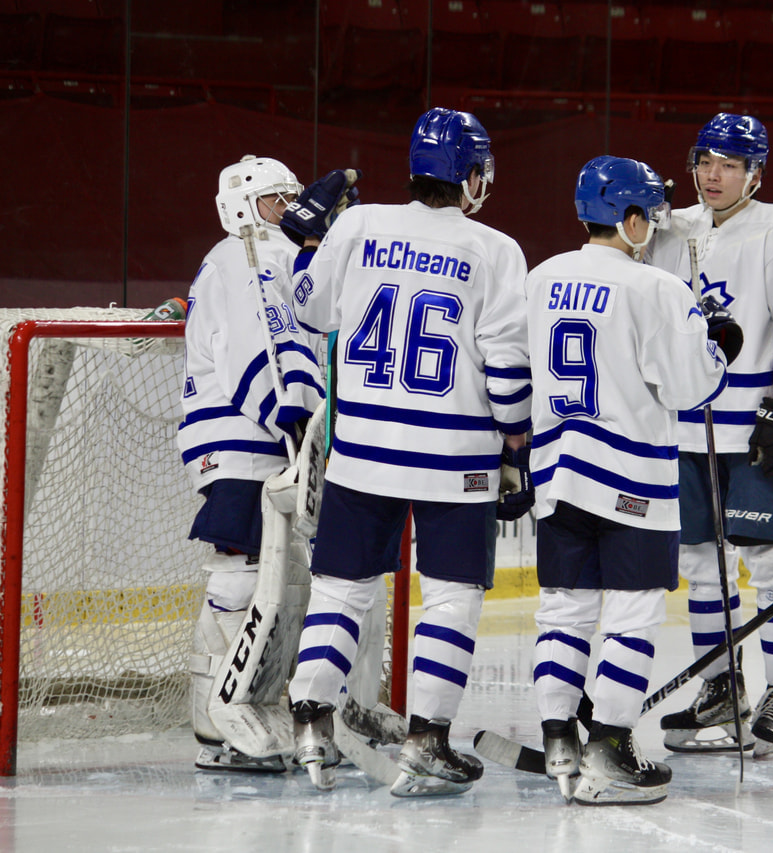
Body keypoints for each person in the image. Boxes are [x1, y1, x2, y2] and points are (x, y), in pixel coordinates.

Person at [284, 108, 532, 796]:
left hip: (362, 448)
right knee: (450, 596)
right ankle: (427, 739)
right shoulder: (495, 248)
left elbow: (309, 308)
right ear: (472, 177)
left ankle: (310, 722)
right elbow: (508, 369)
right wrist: (518, 443)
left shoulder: (360, 226)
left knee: (341, 588)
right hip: (456, 456)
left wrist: (307, 243)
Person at [525, 155, 740, 805]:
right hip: (631, 476)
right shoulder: (657, 288)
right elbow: (689, 384)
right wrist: (716, 346)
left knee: (563, 609)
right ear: (632, 218)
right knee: (632, 613)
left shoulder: (542, 276)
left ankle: (559, 734)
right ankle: (611, 745)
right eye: (649, 212)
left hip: (557, 470)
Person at [643, 113, 773, 757]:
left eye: (729, 164)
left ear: (756, 171)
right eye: (705, 161)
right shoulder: (674, 228)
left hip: (754, 429)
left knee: (770, 563)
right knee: (701, 566)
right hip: (688, 429)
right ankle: (722, 689)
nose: (712, 175)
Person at [178, 155, 326, 772]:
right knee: (242, 560)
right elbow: (250, 352)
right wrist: (292, 424)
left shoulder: (276, 257)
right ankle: (212, 711)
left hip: (264, 434)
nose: (286, 212)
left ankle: (252, 700)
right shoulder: (243, 255)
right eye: (275, 201)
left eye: (292, 199)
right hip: (242, 438)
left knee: (278, 572)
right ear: (242, 206)